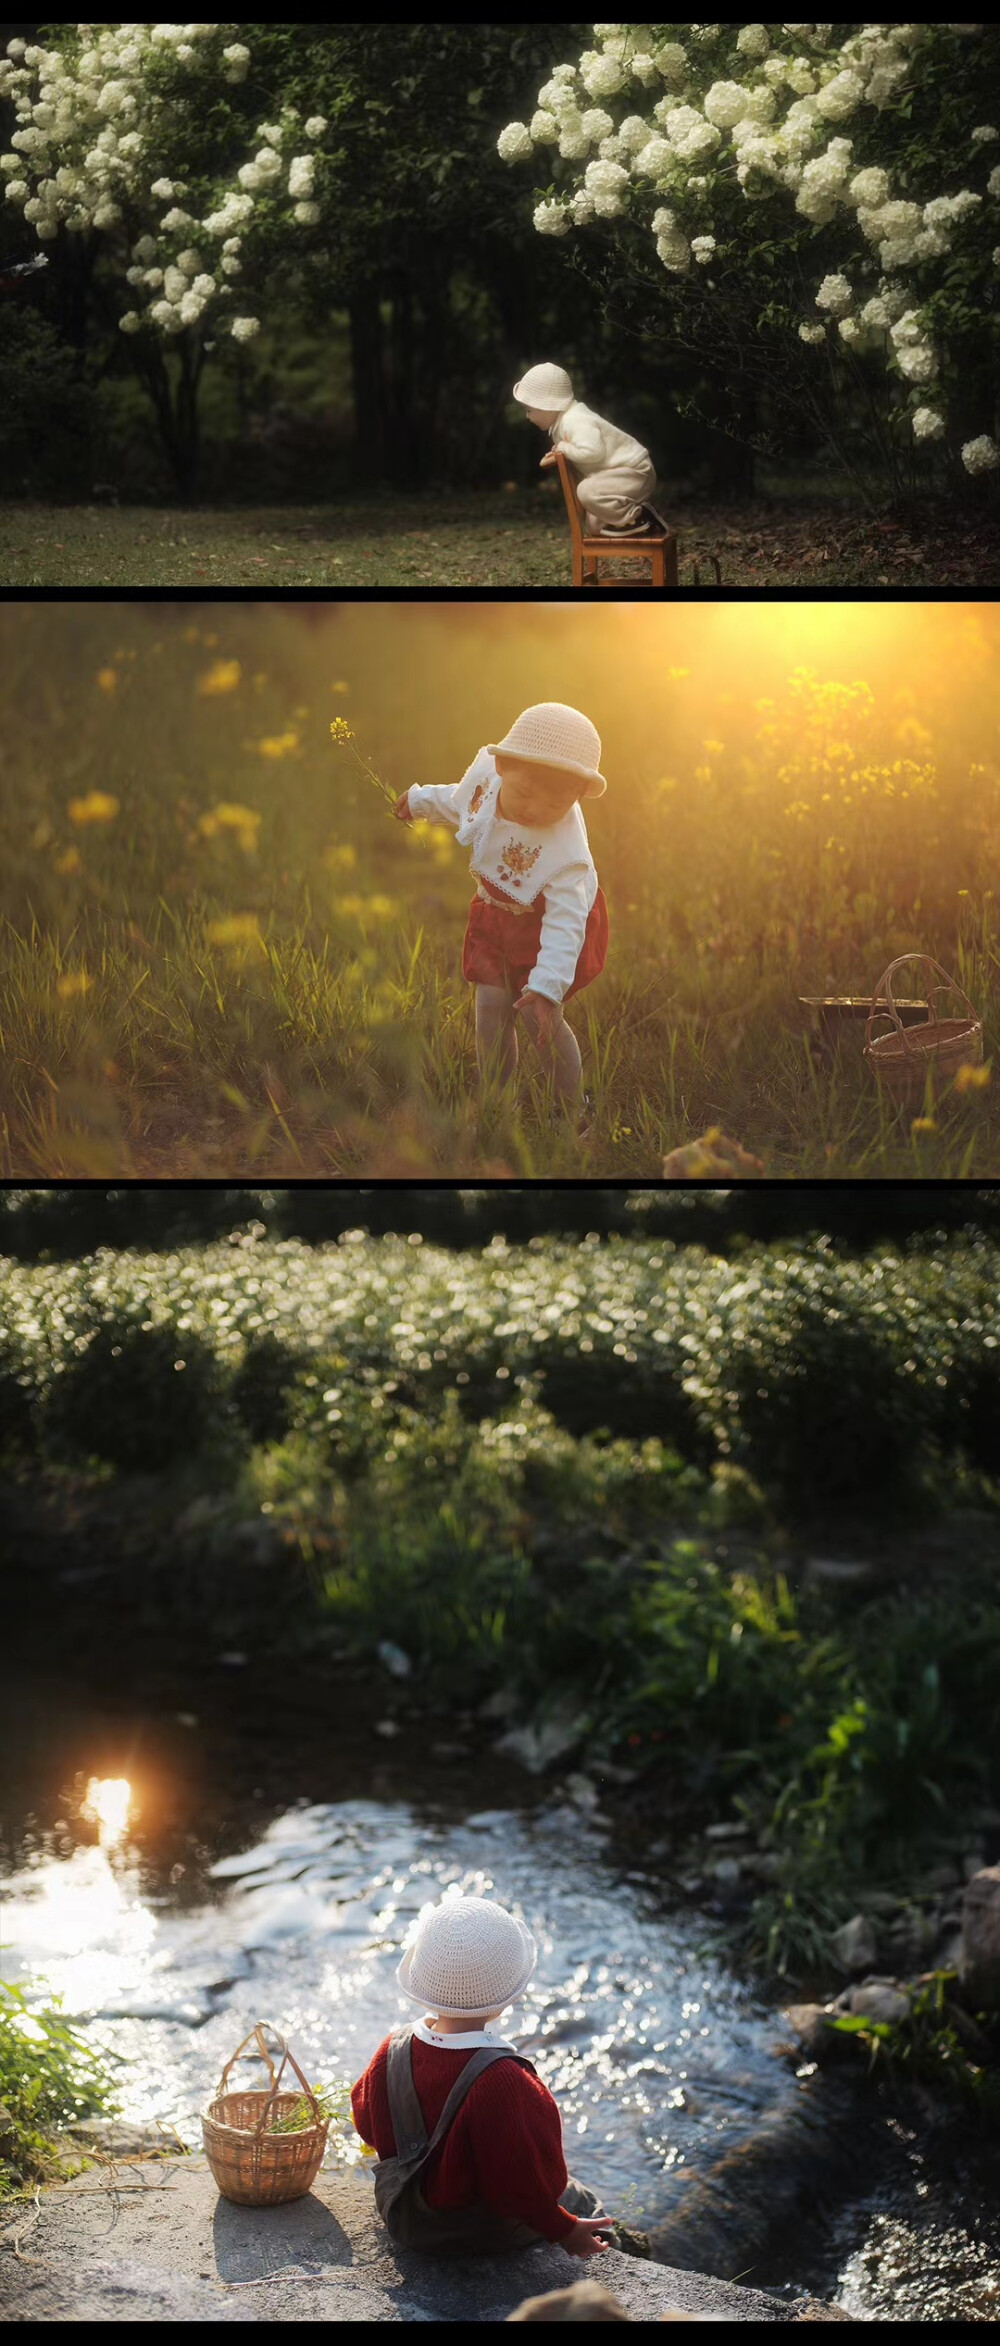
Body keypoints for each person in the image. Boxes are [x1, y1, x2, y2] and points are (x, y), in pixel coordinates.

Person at [351, 1892, 615, 2256]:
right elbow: (523, 2185)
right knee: (580, 2198)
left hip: (404, 2211)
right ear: (509, 1996)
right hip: (471, 2232)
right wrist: (565, 2230)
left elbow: (366, 2124)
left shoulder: (391, 2049)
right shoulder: (504, 2080)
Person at [394, 701, 609, 1116]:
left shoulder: (568, 856)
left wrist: (547, 987)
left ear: (577, 797)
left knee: (538, 1021)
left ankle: (572, 1111)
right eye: (525, 793)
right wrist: (419, 802)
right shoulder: (490, 781)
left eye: (554, 806)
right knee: (490, 1011)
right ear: (504, 768)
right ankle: (496, 1103)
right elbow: (462, 803)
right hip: (496, 911)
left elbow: (566, 924)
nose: (533, 810)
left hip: (547, 926)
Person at [512, 362, 661, 537]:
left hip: (634, 471)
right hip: (616, 475)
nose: (527, 416)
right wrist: (561, 450)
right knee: (594, 524)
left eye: (529, 410)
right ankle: (637, 517)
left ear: (547, 406)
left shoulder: (575, 419)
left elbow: (593, 452)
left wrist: (564, 448)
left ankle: (640, 517)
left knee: (586, 491)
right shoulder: (563, 424)